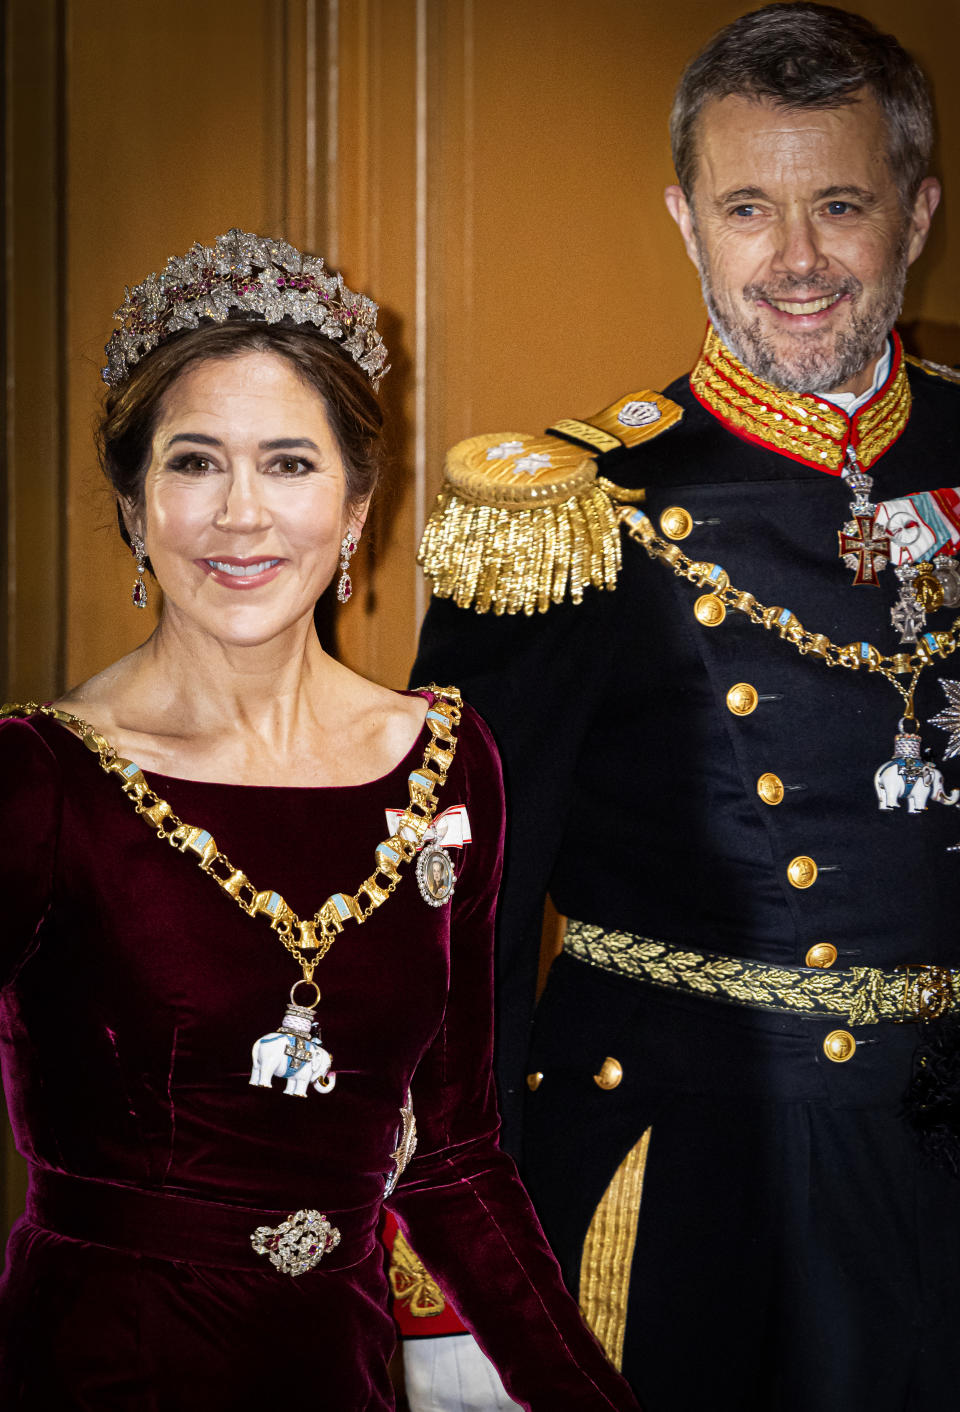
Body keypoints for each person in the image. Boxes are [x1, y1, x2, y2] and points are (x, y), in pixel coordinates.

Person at [411, 6, 960, 1410]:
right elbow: (449, 926)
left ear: (917, 211)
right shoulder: (573, 518)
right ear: (685, 219)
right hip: (699, 1180)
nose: (795, 262)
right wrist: (450, 1275)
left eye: (840, 204)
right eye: (747, 209)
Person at [0, 229, 640, 1411]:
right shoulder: (40, 778)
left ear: (356, 506)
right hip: (100, 1366)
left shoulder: (447, 762)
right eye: (196, 462)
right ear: (136, 506)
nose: (242, 515)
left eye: (289, 463)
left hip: (342, 1371)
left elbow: (453, 1157)